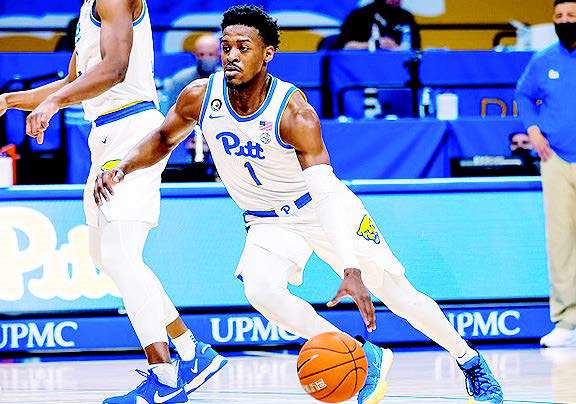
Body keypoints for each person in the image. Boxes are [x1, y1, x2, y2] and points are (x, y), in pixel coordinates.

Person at [94, 5, 503, 404]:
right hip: (267, 220)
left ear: (267, 54)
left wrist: (350, 268)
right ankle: (360, 356)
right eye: (226, 46)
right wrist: (123, 167)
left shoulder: (294, 113)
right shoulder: (200, 96)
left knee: (398, 295)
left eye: (243, 48)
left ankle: (468, 359)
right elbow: (163, 139)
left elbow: (325, 194)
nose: (231, 55)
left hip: (320, 209)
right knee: (261, 290)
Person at [0, 1, 226, 403]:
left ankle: (164, 377)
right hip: (104, 135)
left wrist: (53, 104)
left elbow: (115, 68)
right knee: (106, 257)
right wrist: (11, 100)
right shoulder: (89, 8)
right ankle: (192, 351)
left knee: (121, 256)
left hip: (132, 130)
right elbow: (74, 83)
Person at [516, 0, 576, 348]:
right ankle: (567, 320)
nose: (565, 21)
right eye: (559, 16)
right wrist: (533, 128)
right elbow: (523, 95)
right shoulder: (544, 60)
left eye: (571, 16)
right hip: (556, 160)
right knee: (561, 242)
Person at [162, 34, 221, 109]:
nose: (206, 58)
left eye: (211, 54)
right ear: (195, 55)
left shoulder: (225, 79)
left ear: (219, 55)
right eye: (201, 54)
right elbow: (173, 110)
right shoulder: (180, 80)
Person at [336, 0, 421, 50]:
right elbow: (345, 45)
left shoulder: (406, 17)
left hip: (398, 65)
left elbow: (416, 47)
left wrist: (398, 48)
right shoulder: (360, 15)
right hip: (365, 66)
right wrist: (375, 44)